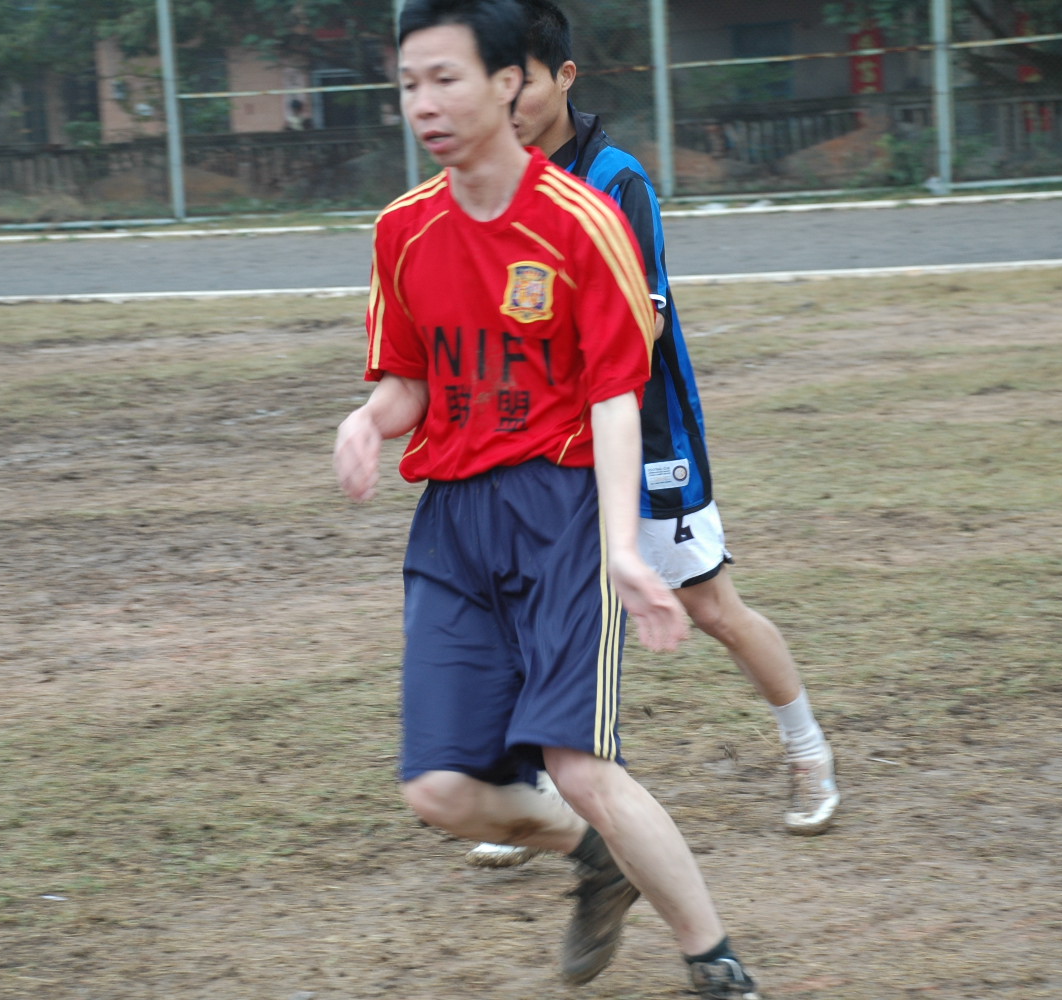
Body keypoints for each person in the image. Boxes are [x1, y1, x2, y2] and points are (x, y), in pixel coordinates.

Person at [334, 2, 762, 996]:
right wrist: (367, 420)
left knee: (578, 764)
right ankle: (596, 856)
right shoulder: (402, 230)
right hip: (452, 522)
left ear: (507, 84)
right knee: (440, 792)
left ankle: (714, 959)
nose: (424, 104)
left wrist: (621, 548)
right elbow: (408, 379)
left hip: (558, 510)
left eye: (445, 78)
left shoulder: (583, 221)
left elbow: (615, 397)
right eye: (409, 83)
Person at [465, 0, 839, 870]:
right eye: (495, 83)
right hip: (544, 448)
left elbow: (645, 321)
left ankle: (808, 751)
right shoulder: (495, 183)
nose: (508, 101)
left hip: (645, 438)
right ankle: (538, 788)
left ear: (565, 77)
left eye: (524, 81)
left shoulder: (615, 179)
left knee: (711, 608)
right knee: (538, 619)